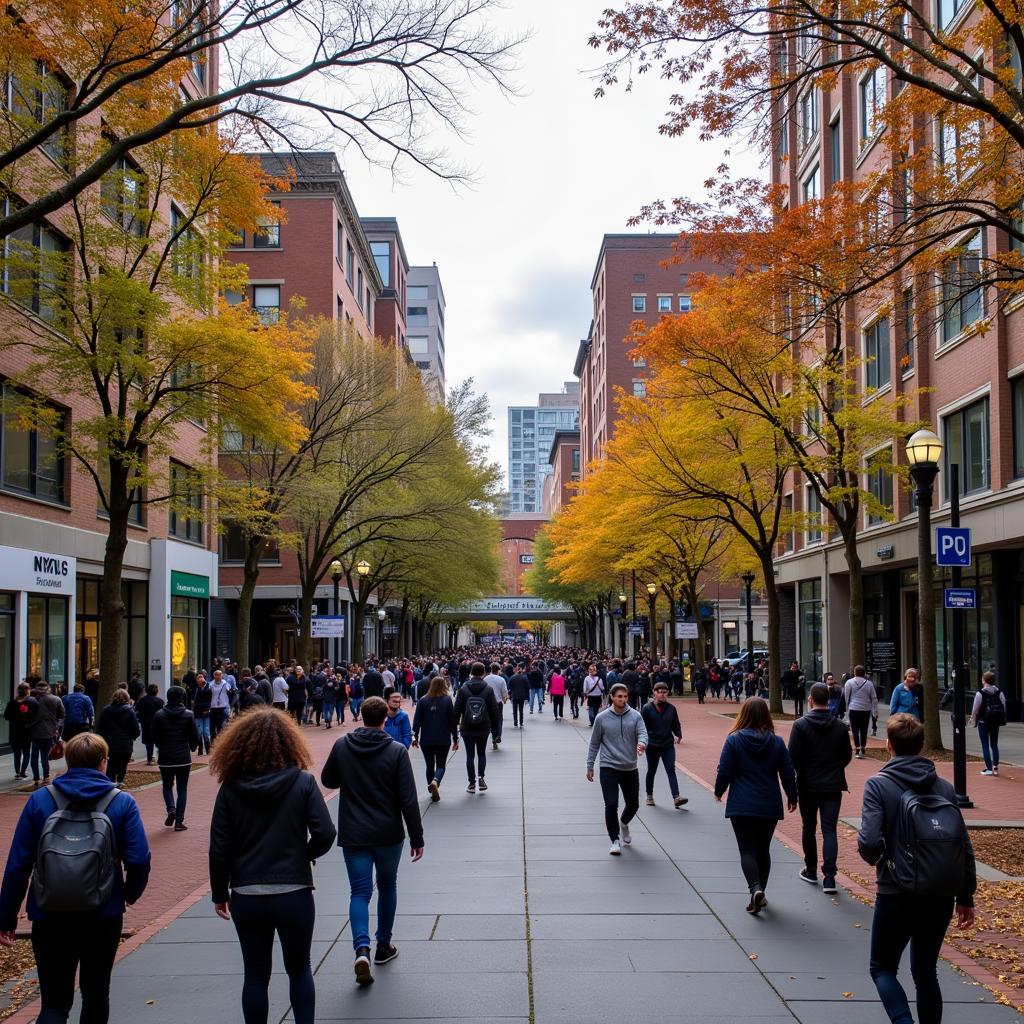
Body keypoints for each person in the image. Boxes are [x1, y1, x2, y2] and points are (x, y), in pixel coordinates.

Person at [0, 732, 151, 1024]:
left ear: (67, 762)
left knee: (54, 1002)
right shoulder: (121, 803)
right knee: (96, 994)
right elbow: (139, 860)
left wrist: (6, 916)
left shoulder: (40, 800)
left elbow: (18, 863)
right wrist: (128, 894)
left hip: (49, 911)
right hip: (103, 911)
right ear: (103, 763)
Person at [209, 709, 336, 1024]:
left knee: (254, 975)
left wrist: (218, 891)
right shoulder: (303, 783)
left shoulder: (230, 788)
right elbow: (326, 832)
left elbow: (219, 847)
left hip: (247, 891)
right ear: (289, 743)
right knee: (300, 968)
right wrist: (305, 854)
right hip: (293, 890)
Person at [858, 713, 976, 1024]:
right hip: (939, 892)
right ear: (922, 745)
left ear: (888, 745)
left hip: (896, 890)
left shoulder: (878, 785)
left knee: (882, 967)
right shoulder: (945, 788)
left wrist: (881, 861)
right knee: (926, 971)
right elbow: (962, 845)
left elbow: (869, 841)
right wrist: (965, 895)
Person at [321, 696, 424, 987]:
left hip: (354, 831)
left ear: (362, 717)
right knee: (388, 885)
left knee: (359, 892)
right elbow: (408, 798)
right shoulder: (395, 751)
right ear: (384, 719)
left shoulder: (343, 745)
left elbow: (328, 780)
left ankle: (361, 949)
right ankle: (383, 945)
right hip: (388, 832)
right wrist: (417, 836)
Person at [714, 697, 798, 914]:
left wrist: (719, 790)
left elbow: (725, 769)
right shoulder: (776, 742)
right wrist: (792, 796)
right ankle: (761, 891)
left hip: (742, 802)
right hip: (768, 802)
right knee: (763, 850)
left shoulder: (734, 740)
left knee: (747, 850)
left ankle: (755, 888)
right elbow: (787, 772)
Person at [788, 682, 853, 895]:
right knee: (829, 829)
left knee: (809, 828)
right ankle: (830, 877)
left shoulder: (800, 725)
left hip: (808, 784)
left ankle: (811, 868)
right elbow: (846, 756)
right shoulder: (840, 727)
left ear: (810, 700)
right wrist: (833, 769)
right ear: (828, 699)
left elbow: (793, 758)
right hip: (832, 785)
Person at [586, 682, 648, 855]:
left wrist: (642, 744)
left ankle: (624, 823)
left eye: (625, 696)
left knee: (633, 805)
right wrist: (590, 765)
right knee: (611, 804)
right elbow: (594, 743)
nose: (622, 699)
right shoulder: (602, 718)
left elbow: (643, 733)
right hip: (609, 767)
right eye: (619, 696)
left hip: (629, 767)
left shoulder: (635, 716)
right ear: (612, 697)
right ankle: (614, 839)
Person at [152, 686, 199, 831]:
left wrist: (161, 746)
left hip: (166, 757)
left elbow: (154, 736)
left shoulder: (159, 715)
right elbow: (194, 735)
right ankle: (179, 821)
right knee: (182, 788)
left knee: (167, 785)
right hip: (183, 757)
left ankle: (171, 808)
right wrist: (192, 747)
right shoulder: (188, 714)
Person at [454, 663, 500, 793]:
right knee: (481, 753)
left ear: (471, 673)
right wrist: (495, 729)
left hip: (467, 726)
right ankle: (481, 778)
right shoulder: (488, 689)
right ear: (483, 673)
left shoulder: (463, 689)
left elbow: (456, 710)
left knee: (469, 755)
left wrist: (454, 729)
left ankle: (471, 783)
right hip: (483, 726)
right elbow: (494, 710)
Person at [412, 674, 459, 801]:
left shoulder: (423, 700)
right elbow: (452, 722)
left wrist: (414, 737)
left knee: (429, 765)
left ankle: (431, 787)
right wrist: (455, 738)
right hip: (443, 738)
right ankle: (436, 781)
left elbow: (417, 721)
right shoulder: (447, 700)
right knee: (441, 765)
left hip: (426, 739)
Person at [641, 682, 687, 808]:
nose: (662, 694)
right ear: (654, 693)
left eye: (664, 692)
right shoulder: (647, 708)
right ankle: (649, 795)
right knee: (652, 770)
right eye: (659, 691)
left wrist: (678, 734)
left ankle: (676, 797)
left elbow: (676, 724)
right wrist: (642, 742)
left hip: (667, 744)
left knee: (670, 769)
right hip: (652, 745)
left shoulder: (671, 708)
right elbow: (641, 727)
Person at [96, 688, 140, 785]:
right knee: (123, 764)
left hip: (109, 743)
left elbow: (99, 728)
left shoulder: (105, 711)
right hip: (125, 744)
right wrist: (133, 736)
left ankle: (110, 782)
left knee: (111, 764)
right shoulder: (130, 711)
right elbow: (136, 730)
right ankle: (120, 780)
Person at [970, 671, 1007, 776]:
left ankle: (989, 769)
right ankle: (995, 766)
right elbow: (1004, 707)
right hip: (995, 722)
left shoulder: (980, 693)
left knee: (985, 745)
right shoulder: (999, 692)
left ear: (984, 680)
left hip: (983, 722)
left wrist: (973, 719)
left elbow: (975, 709)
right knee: (994, 744)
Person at [28, 681, 64, 785]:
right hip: (49, 731)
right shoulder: (56, 699)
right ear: (48, 688)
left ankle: (35, 778)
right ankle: (46, 777)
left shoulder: (32, 700)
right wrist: (57, 728)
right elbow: (62, 715)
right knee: (45, 756)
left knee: (34, 755)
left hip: (34, 731)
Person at [843, 665, 879, 759]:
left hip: (853, 709)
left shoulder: (849, 682)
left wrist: (846, 710)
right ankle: (863, 748)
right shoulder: (869, 684)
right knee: (864, 729)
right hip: (865, 710)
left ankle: (857, 749)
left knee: (855, 729)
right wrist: (875, 712)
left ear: (854, 672)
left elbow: (846, 697)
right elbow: (874, 698)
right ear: (864, 673)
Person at [4, 683, 37, 780]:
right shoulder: (32, 702)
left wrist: (15, 718)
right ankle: (23, 772)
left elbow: (7, 716)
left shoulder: (12, 703)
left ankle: (17, 772)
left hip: (15, 730)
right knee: (26, 752)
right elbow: (36, 716)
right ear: (28, 690)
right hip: (27, 730)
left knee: (17, 753)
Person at [135, 683, 164, 764]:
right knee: (159, 741)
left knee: (148, 742)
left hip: (146, 724)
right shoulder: (160, 701)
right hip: (157, 724)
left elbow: (138, 712)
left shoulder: (141, 701)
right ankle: (159, 757)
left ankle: (149, 758)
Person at [483, 663, 509, 748]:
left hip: (487, 702)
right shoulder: (501, 679)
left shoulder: (485, 679)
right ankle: (498, 734)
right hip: (497, 702)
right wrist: (504, 699)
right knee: (499, 719)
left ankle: (494, 738)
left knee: (491, 720)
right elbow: (504, 692)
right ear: (498, 670)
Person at [209, 668, 235, 741]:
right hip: (213, 707)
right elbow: (209, 693)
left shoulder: (225, 683)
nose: (218, 677)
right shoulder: (211, 684)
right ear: (214, 676)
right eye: (216, 675)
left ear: (221, 676)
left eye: (219, 675)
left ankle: (220, 741)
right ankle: (213, 741)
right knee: (212, 726)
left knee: (220, 725)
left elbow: (230, 690)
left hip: (223, 706)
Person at [192, 672, 213, 755]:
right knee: (199, 731)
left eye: (201, 677)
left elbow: (210, 700)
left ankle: (208, 749)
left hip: (206, 711)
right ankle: (200, 748)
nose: (200, 679)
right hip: (197, 712)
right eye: (198, 678)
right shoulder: (195, 689)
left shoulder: (209, 687)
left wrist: (207, 709)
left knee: (206, 731)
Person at [507, 663, 530, 728]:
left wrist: (510, 693)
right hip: (522, 696)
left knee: (515, 710)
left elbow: (508, 687)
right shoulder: (524, 678)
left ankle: (515, 722)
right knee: (521, 710)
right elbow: (528, 687)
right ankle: (521, 722)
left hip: (514, 695)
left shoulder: (512, 678)